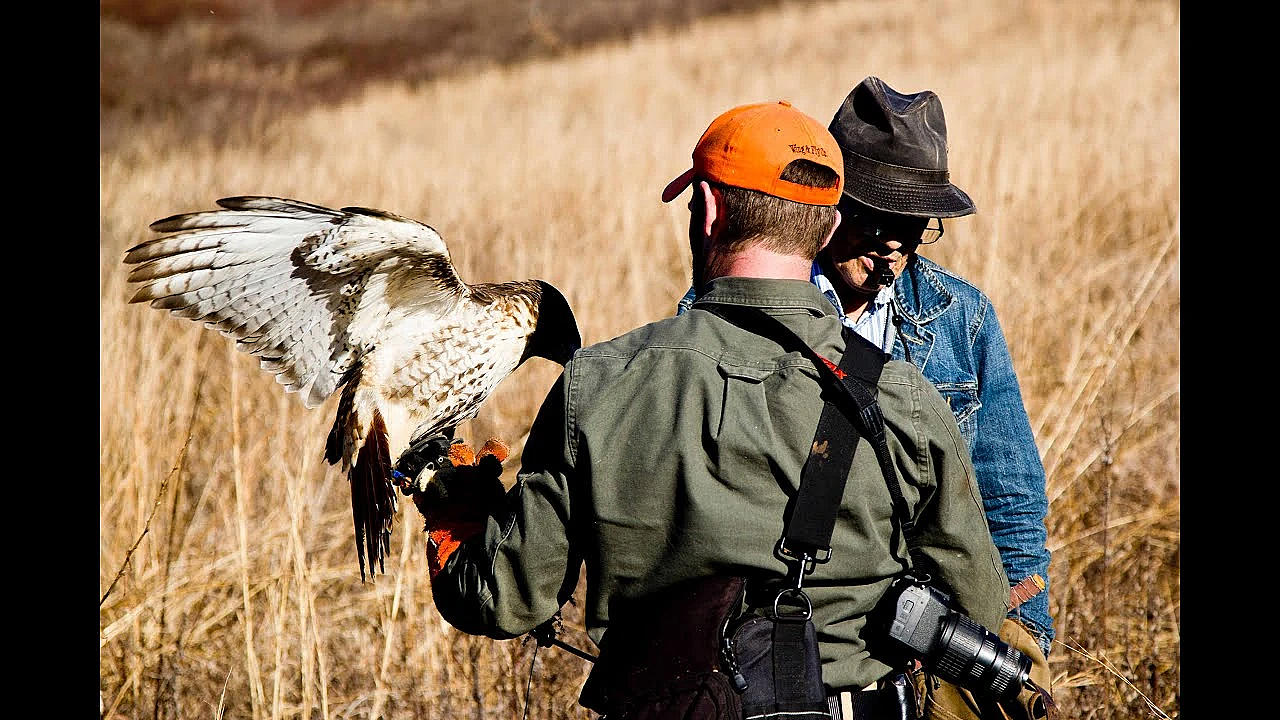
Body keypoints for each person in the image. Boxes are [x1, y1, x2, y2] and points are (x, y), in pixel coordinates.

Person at [420, 100, 1009, 718]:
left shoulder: (596, 386)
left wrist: (452, 504)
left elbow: (498, 599)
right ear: (828, 227)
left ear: (707, 209)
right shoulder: (902, 399)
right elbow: (979, 606)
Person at [678, 77, 1055, 659]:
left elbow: (1010, 497)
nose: (895, 249)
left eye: (916, 228)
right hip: (784, 637)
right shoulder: (729, 314)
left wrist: (1024, 640)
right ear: (827, 209)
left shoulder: (966, 318)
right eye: (878, 223)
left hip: (934, 637)